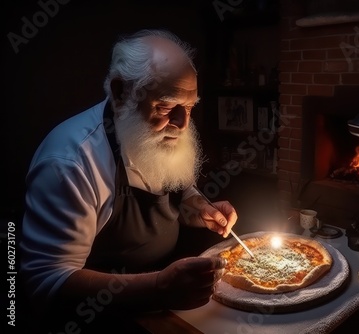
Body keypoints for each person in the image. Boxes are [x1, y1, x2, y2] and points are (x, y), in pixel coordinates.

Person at [19, 29, 238, 333]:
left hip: (165, 304)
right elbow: (47, 281)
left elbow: (177, 186)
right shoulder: (70, 163)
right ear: (120, 92)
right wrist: (159, 286)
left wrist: (200, 207)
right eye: (166, 106)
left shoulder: (160, 130)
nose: (183, 123)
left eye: (189, 107)